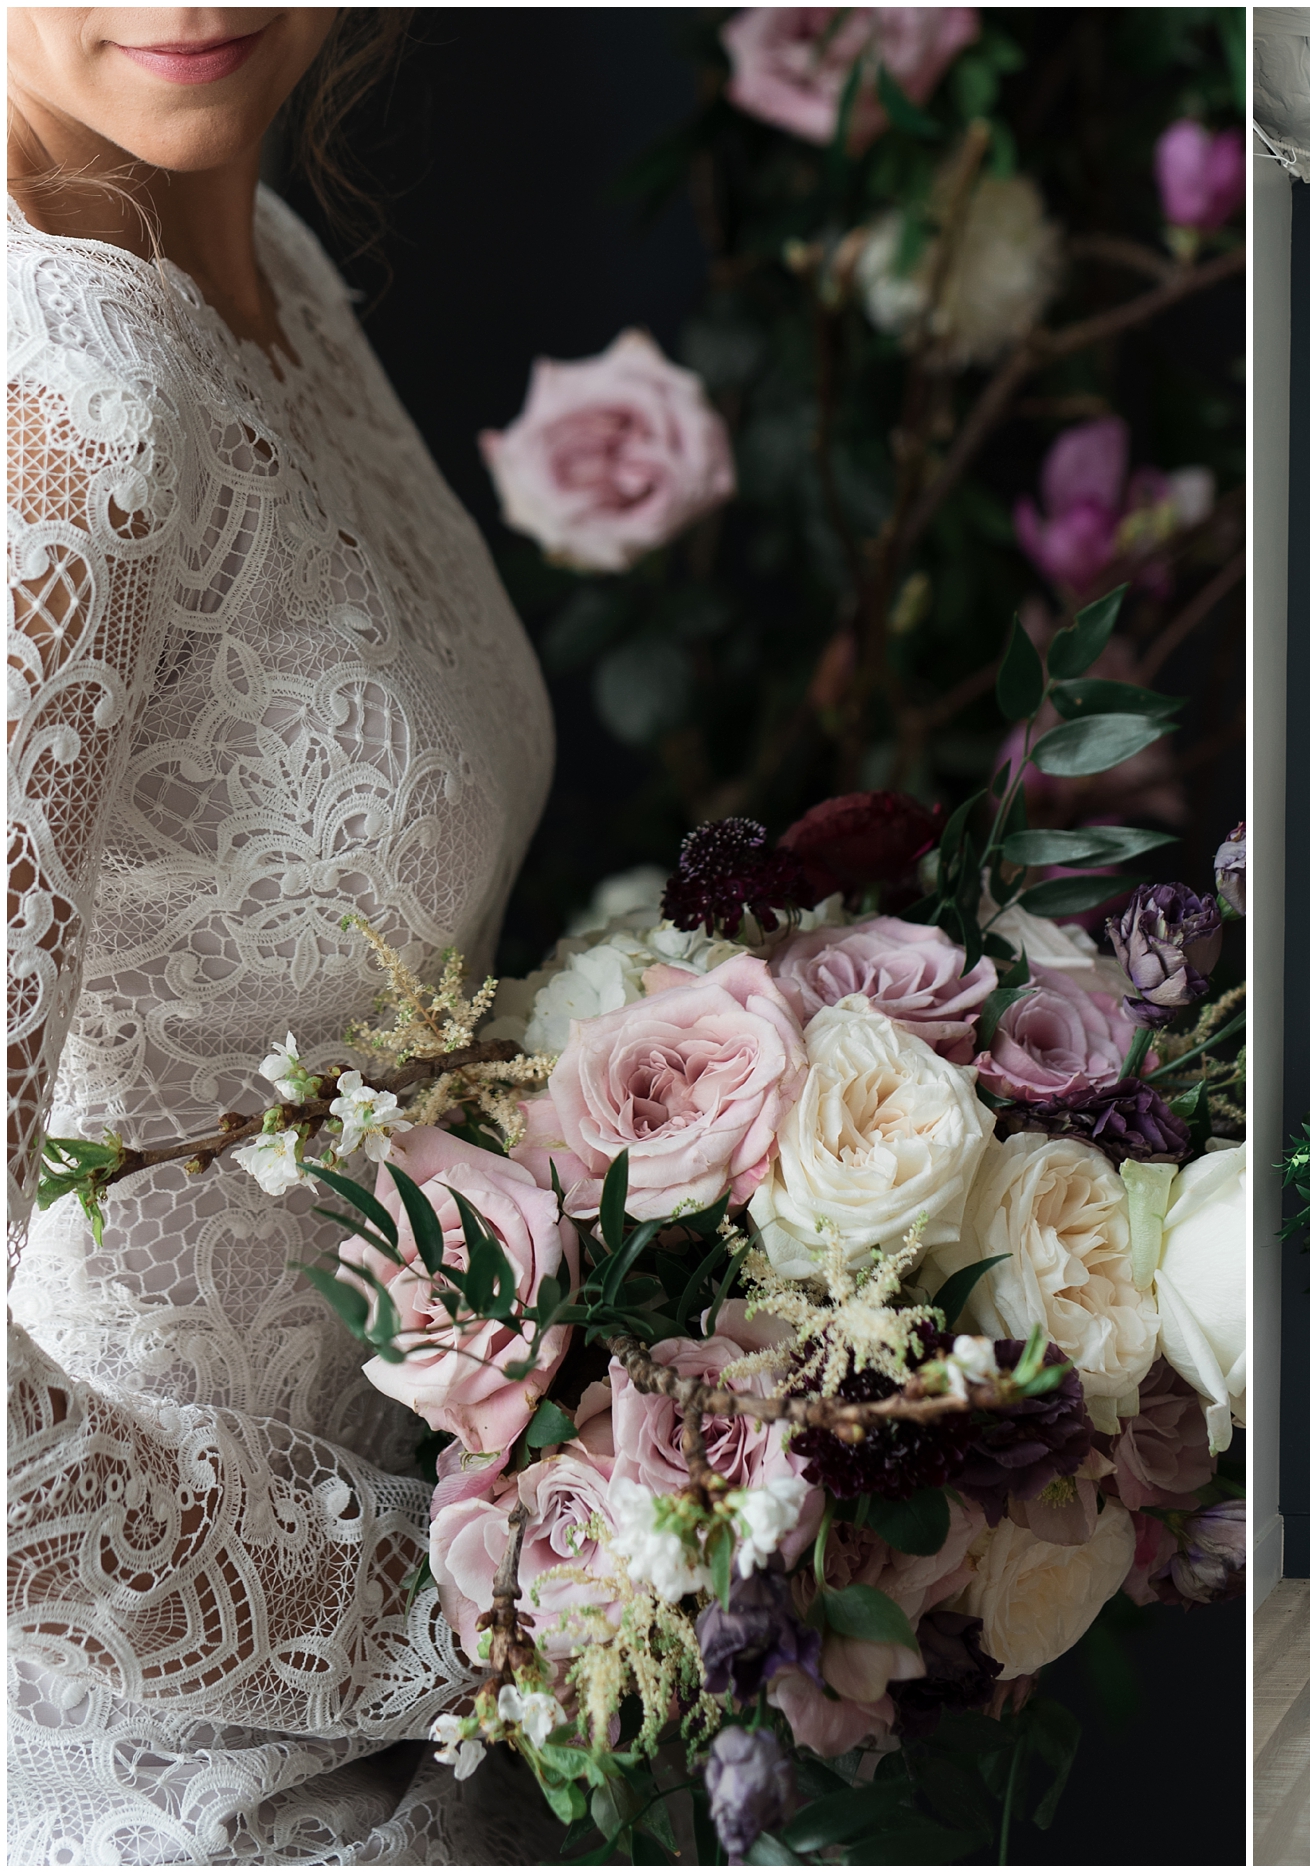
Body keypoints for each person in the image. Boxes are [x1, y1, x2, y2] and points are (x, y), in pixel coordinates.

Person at [7, 11, 558, 1859]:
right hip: (186, 1779)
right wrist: (454, 1609)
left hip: (433, 1715)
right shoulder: (70, 404)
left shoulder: (259, 251)